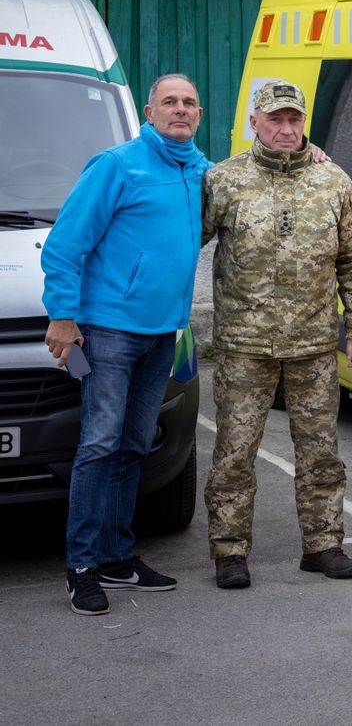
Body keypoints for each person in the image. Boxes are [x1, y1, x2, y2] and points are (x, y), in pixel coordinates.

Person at [42, 74, 211, 615]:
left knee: (134, 444)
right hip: (109, 331)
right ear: (149, 110)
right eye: (170, 102)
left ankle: (117, 556)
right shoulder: (117, 165)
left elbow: (254, 175)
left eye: (189, 103)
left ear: (199, 114)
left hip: (164, 333)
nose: (180, 111)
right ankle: (82, 565)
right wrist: (63, 316)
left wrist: (311, 152)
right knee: (99, 443)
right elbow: (66, 244)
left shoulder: (199, 172)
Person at [202, 81, 352, 589]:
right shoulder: (223, 180)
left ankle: (324, 545)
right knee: (234, 452)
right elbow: (184, 240)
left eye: (294, 120)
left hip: (314, 344)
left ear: (305, 124)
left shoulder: (333, 181)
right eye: (275, 119)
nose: (285, 129)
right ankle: (230, 552)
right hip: (243, 345)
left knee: (321, 451)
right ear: (255, 122)